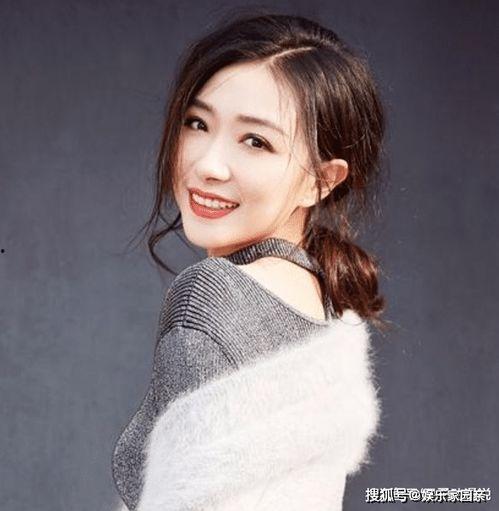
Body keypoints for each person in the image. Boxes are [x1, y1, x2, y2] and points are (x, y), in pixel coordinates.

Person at [111, 11, 387, 511]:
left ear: (321, 180)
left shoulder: (212, 296)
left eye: (256, 141)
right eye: (197, 123)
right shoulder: (324, 303)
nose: (207, 165)